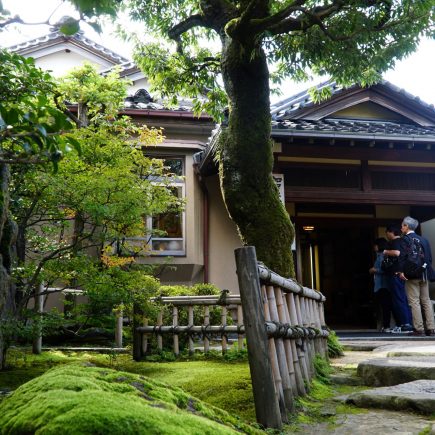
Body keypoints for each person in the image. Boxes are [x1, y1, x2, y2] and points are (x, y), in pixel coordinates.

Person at [397, 216, 435, 336]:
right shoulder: (424, 240)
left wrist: (401, 271)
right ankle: (431, 328)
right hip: (424, 273)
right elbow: (429, 258)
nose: (401, 227)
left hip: (411, 275)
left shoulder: (405, 239)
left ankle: (419, 329)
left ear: (407, 226)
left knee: (414, 301)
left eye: (402, 225)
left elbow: (402, 257)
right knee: (426, 301)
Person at [382, 225, 413, 333]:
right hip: (403, 273)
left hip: (396, 274)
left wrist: (385, 252)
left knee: (399, 299)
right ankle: (407, 323)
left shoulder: (396, 242)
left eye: (387, 232)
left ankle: (405, 324)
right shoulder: (404, 241)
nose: (386, 235)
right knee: (403, 298)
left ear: (391, 232)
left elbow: (397, 253)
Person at [369, 237, 394, 332]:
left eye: (375, 245)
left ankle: (387, 326)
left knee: (386, 306)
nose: (374, 247)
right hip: (380, 284)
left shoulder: (384, 255)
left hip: (384, 284)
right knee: (383, 306)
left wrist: (375, 270)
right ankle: (384, 325)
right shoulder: (378, 255)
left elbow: (387, 269)